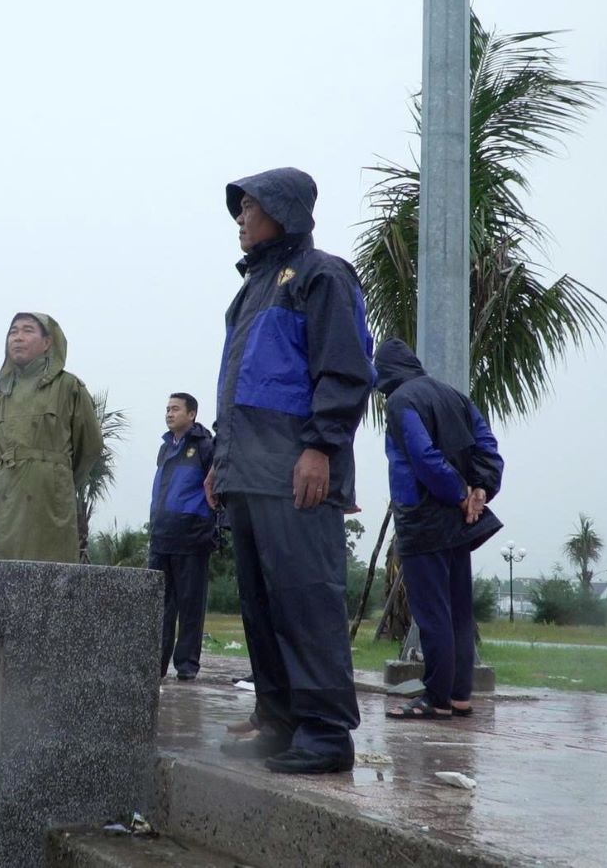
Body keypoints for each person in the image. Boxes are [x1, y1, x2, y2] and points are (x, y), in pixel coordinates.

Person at [208, 167, 375, 774]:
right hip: (248, 473)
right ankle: (278, 724)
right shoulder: (252, 288)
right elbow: (239, 389)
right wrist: (219, 463)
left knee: (307, 603)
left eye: (250, 207)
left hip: (297, 470)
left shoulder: (321, 275)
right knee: (261, 607)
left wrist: (321, 448)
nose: (241, 219)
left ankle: (327, 733)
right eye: (240, 209)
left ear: (284, 210)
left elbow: (345, 371)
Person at [374, 338, 504, 720]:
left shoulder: (401, 400)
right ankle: (459, 694)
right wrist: (479, 489)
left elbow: (423, 456)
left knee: (432, 613)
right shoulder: (455, 397)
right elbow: (487, 445)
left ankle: (436, 698)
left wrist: (459, 492)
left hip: (423, 518)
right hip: (457, 521)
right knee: (459, 610)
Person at [0, 312, 103, 563]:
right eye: (13, 332)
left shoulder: (68, 387)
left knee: (49, 574)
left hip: (49, 498)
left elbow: (90, 445)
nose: (18, 338)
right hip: (3, 496)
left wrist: (57, 477)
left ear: (47, 343)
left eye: (27, 330)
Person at [149, 392, 216, 681]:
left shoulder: (205, 446)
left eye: (175, 409)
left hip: (192, 535)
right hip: (162, 534)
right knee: (160, 603)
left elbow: (216, 491)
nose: (169, 413)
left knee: (190, 604)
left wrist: (211, 528)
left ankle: (187, 666)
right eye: (167, 409)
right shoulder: (165, 448)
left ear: (191, 414)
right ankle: (156, 663)